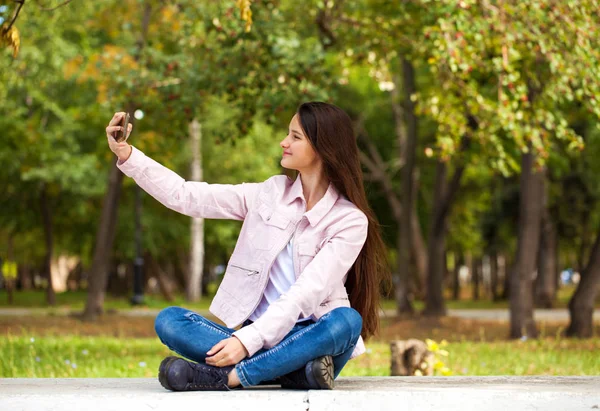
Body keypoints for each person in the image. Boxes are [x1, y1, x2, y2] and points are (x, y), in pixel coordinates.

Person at [105, 102, 389, 391]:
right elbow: (187, 196)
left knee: (346, 321)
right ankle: (291, 372)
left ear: (321, 147)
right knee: (170, 321)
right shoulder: (269, 193)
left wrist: (246, 342)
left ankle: (229, 377)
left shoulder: (349, 221)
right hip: (261, 337)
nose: (284, 142)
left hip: (309, 337)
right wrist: (128, 155)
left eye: (295, 137)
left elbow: (306, 293)